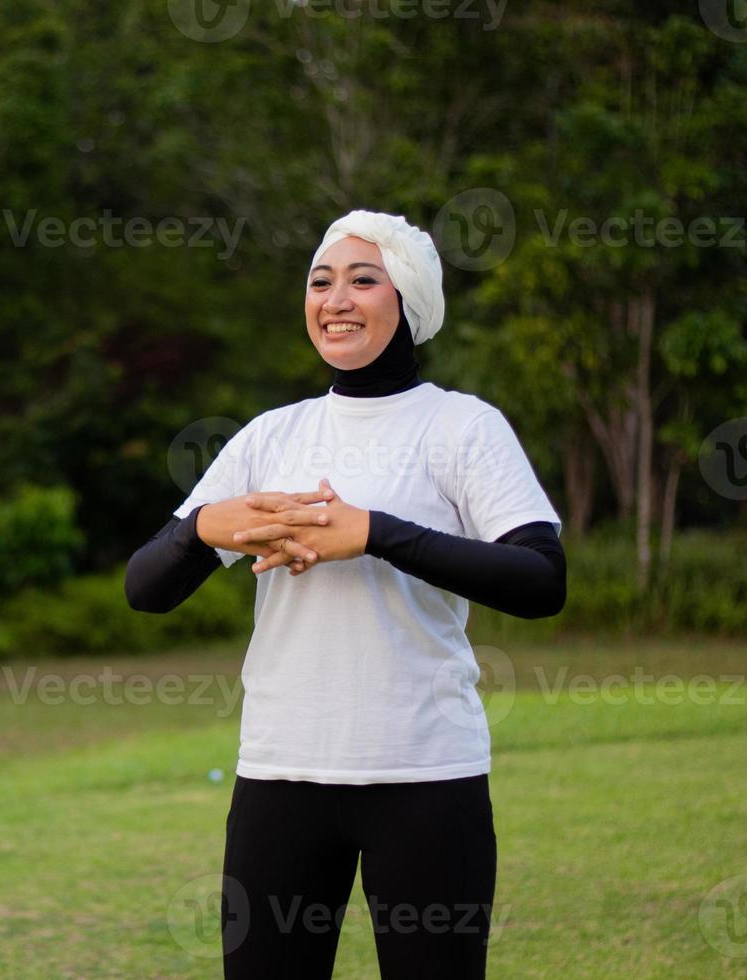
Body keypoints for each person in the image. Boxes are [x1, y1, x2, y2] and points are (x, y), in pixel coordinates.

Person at [125, 210, 566, 979]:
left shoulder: (462, 427)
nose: (336, 298)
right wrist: (202, 529)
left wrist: (373, 532)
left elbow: (540, 579)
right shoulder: (271, 436)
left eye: (364, 280)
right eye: (320, 281)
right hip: (280, 777)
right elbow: (145, 589)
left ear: (411, 302)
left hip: (426, 777)